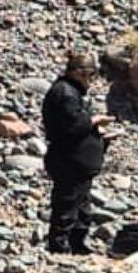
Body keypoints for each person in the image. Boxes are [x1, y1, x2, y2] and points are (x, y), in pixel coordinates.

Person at [40, 51, 116, 254]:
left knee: (81, 207)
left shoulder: (70, 92)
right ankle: (59, 248)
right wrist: (95, 120)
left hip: (78, 162)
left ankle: (77, 245)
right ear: (80, 73)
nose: (92, 81)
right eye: (91, 76)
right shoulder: (65, 93)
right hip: (69, 161)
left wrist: (98, 134)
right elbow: (73, 126)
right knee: (67, 205)